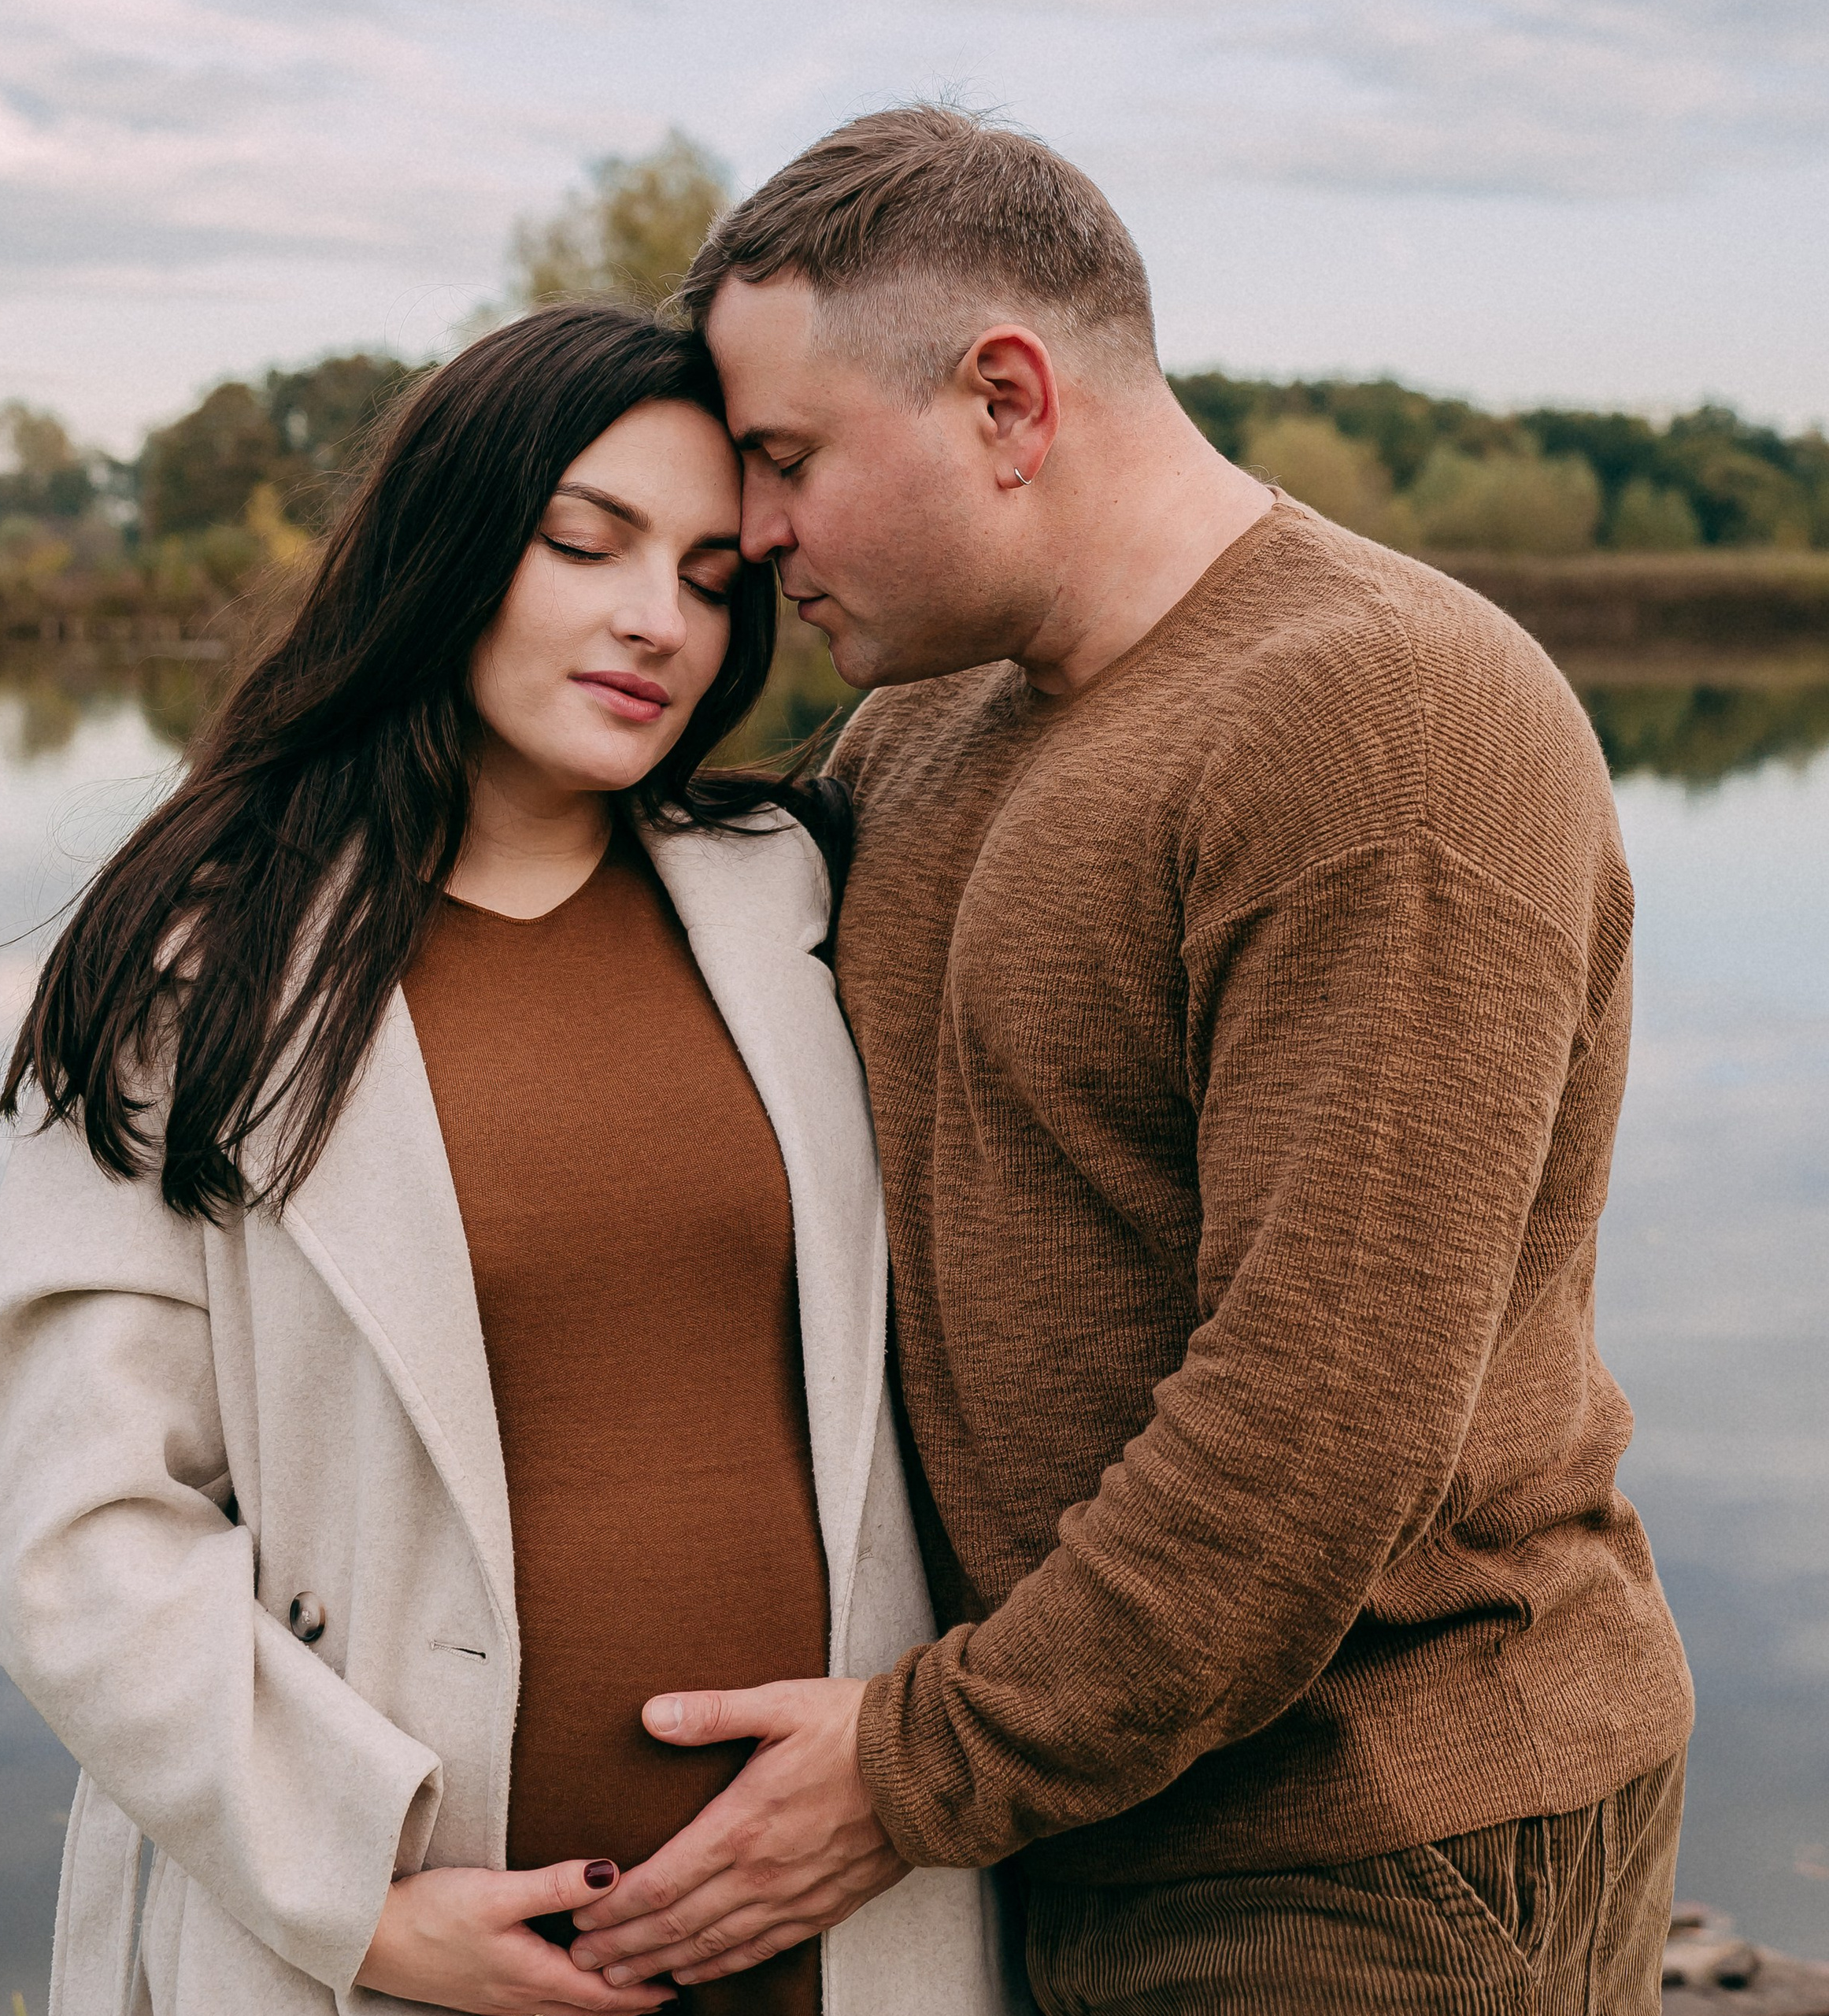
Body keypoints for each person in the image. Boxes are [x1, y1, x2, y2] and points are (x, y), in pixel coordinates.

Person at [565, 109, 1697, 2015]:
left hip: (1371, 1837)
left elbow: (1302, 1436)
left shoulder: (1380, 728)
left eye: (782, 460)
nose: (750, 536)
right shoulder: (922, 719)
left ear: (1005, 398)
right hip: (1088, 1796)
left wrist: (914, 1765)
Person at [0, 302, 1010, 2016]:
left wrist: (917, 1761)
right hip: (383, 1959)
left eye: (708, 573)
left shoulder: (802, 892)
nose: (651, 619)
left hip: (834, 1930)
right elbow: (78, 1527)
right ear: (449, 549)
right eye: (582, 544)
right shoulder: (203, 964)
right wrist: (357, 1900)